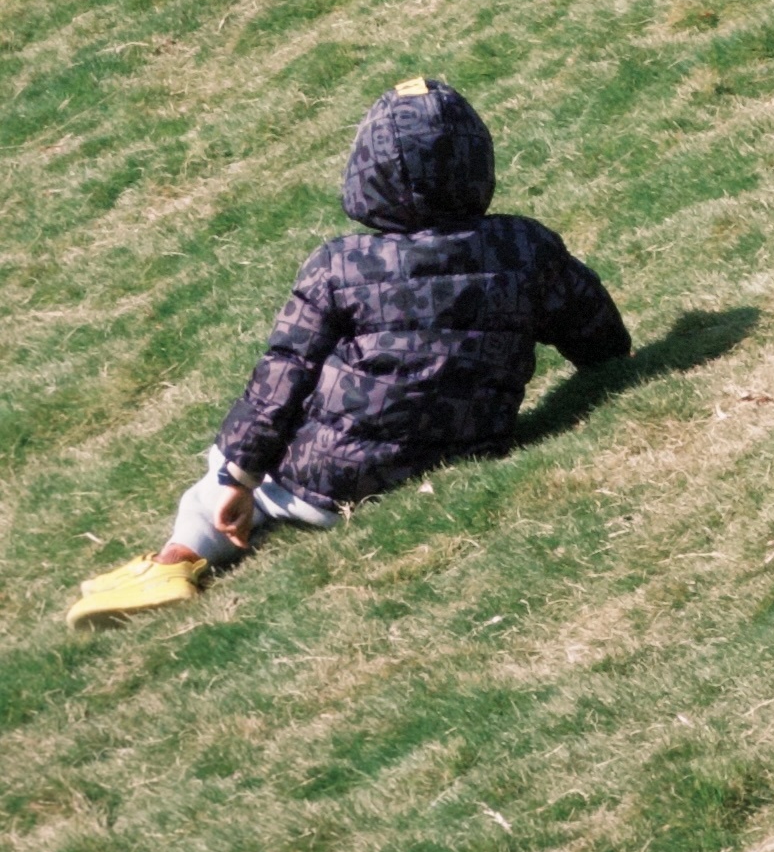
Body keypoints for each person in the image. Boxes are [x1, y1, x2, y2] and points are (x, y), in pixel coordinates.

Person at [68, 78, 630, 624]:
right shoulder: (524, 246)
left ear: (368, 171)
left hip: (333, 486)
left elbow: (280, 379)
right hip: (470, 449)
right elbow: (601, 338)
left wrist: (238, 476)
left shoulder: (337, 265)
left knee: (227, 471)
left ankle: (175, 560)